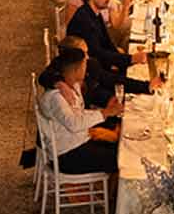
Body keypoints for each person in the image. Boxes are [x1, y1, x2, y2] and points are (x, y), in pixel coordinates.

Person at [37, 47, 121, 176]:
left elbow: (79, 114)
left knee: (121, 148)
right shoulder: (57, 97)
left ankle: (116, 193)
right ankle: (122, 195)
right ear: (77, 69)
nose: (87, 66)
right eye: (85, 63)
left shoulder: (72, 85)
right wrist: (105, 113)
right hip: (67, 155)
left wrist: (104, 111)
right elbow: (74, 124)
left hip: (79, 142)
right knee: (122, 159)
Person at [67, 0, 135, 85]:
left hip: (100, 65)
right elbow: (98, 53)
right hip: (90, 77)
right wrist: (130, 59)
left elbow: (107, 43)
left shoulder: (95, 13)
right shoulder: (84, 20)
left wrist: (127, 59)